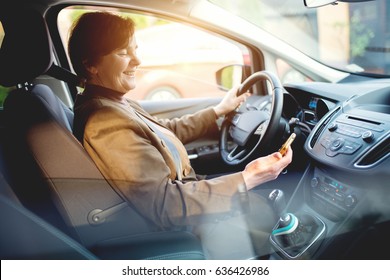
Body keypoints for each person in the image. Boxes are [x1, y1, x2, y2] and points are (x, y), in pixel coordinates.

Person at [68, 11, 293, 259]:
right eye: (123, 53)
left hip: (187, 199)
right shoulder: (105, 120)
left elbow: (165, 133)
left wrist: (218, 111)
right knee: (269, 206)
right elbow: (166, 204)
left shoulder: (114, 102)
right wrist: (247, 178)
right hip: (183, 225)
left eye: (135, 50)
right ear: (91, 65)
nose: (137, 60)